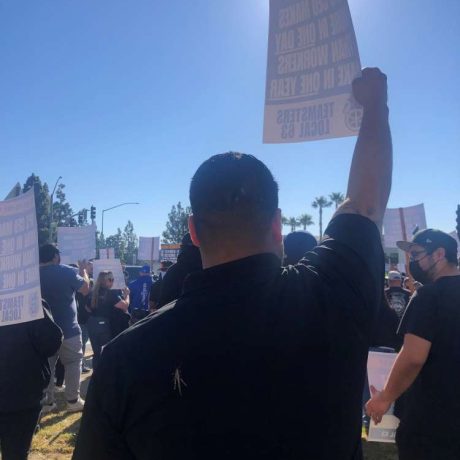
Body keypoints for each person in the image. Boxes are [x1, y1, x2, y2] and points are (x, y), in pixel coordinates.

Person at [74, 68, 391, 460]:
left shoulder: (125, 358)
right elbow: (365, 204)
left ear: (192, 231)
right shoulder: (332, 294)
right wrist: (375, 106)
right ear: (277, 225)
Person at [366, 229, 460, 460]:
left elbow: (413, 356)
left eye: (417, 254)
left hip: (433, 418)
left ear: (439, 254)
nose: (412, 262)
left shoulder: (428, 296)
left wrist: (385, 397)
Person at [0, 302, 62, 460]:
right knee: (16, 453)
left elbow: (51, 343)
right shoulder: (29, 301)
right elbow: (51, 343)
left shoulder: (29, 301)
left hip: (23, 397)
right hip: (23, 395)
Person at [39, 244, 90, 413]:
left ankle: (47, 402)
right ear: (55, 256)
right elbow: (85, 289)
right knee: (74, 362)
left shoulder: (33, 274)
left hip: (43, 330)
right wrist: (83, 271)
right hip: (69, 328)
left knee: (47, 366)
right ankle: (73, 400)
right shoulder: (67, 271)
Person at [86, 271, 130, 370]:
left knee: (96, 352)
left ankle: (96, 375)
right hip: (104, 324)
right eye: (110, 279)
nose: (112, 282)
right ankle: (103, 376)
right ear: (104, 281)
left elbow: (87, 308)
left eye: (113, 279)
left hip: (92, 323)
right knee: (106, 352)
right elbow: (124, 306)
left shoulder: (93, 292)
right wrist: (127, 295)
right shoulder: (110, 292)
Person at [157, 233, 202, 308]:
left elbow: (162, 305)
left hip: (176, 316)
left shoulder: (173, 271)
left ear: (182, 247)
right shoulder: (207, 268)